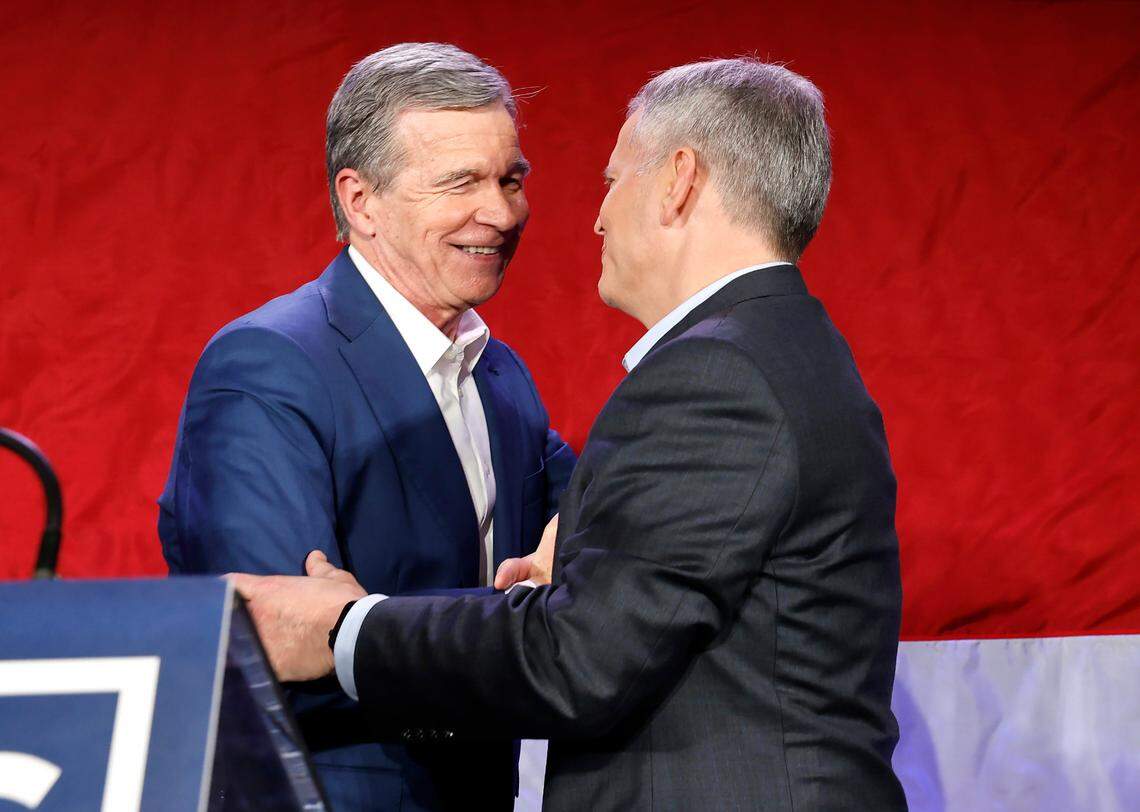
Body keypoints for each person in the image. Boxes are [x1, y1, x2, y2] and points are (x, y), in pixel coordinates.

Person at [233, 57, 907, 811]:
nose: (593, 216)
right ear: (361, 200)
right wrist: (582, 543)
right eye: (462, 181)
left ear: (679, 180)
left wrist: (347, 628)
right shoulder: (784, 348)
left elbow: (579, 656)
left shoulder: (717, 376)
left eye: (614, 181)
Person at [158, 42, 575, 811]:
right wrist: (529, 623)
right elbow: (278, 648)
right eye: (462, 182)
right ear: (360, 201)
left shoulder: (498, 371)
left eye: (510, 179)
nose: (502, 211)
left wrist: (572, 552)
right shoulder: (268, 365)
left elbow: (598, 523)